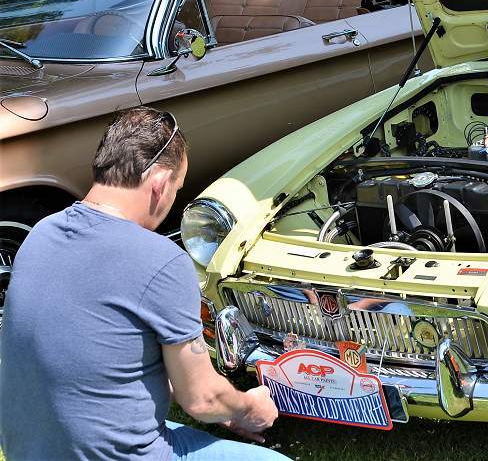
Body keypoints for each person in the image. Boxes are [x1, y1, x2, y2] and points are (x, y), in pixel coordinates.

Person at [0, 107, 288, 460]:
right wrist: (248, 408)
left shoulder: (41, 233)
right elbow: (201, 399)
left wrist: (222, 410)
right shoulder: (162, 260)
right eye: (177, 188)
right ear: (160, 182)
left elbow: (111, 355)